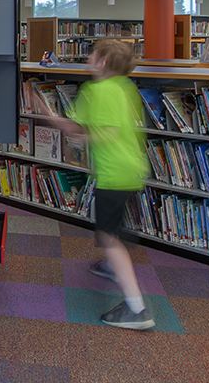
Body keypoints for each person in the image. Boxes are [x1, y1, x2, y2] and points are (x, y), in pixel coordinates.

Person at [45, 38, 154, 329]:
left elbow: (103, 132)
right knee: (112, 226)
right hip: (131, 167)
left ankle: (136, 309)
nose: (88, 56)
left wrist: (51, 117)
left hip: (113, 172)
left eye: (92, 53)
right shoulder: (124, 87)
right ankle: (110, 265)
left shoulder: (97, 91)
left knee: (108, 237)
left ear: (103, 61)